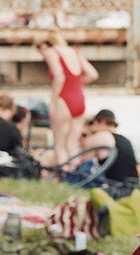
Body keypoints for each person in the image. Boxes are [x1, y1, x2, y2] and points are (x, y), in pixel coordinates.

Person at [36, 31, 97, 167]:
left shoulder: (51, 51)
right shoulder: (74, 52)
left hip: (63, 99)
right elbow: (93, 75)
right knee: (72, 143)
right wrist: (75, 84)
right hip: (79, 99)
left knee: (59, 144)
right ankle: (75, 175)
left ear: (44, 45)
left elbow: (59, 77)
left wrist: (53, 100)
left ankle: (63, 175)